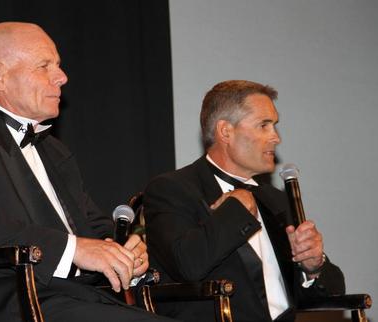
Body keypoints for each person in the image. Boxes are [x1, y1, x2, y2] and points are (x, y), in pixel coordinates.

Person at [0, 22, 177, 322]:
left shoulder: (54, 150)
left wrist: (122, 252)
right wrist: (74, 249)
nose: (62, 77)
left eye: (59, 66)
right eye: (44, 65)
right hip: (3, 302)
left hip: (69, 299)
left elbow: (91, 225)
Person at [143, 80, 345, 322]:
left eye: (275, 126)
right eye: (264, 125)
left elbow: (333, 292)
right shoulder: (173, 189)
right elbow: (187, 265)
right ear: (225, 131)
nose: (276, 138)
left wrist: (314, 266)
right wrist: (236, 208)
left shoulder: (275, 199)